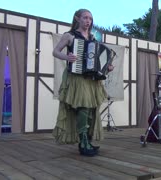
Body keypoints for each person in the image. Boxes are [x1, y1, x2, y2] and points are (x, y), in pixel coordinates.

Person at [52, 9, 113, 156]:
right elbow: (55, 51)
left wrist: (107, 68)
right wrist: (67, 57)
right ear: (77, 18)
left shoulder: (93, 38)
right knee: (83, 108)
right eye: (85, 18)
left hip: (91, 79)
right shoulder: (70, 36)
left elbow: (98, 61)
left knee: (91, 110)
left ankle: (87, 141)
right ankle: (83, 142)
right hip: (76, 76)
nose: (88, 21)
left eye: (90, 19)